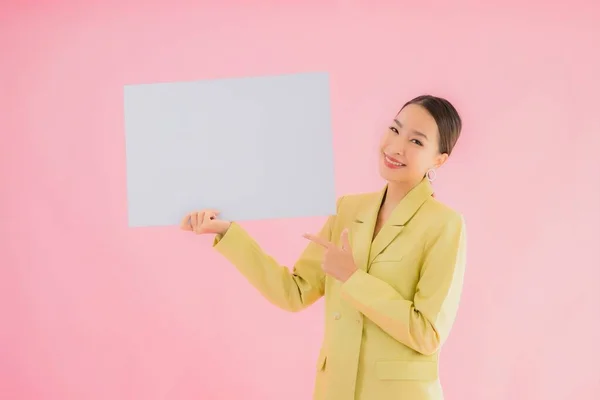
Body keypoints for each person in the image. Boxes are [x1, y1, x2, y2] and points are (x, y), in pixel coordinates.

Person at [181, 95, 467, 400]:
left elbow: (427, 333)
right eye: (395, 130)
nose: (396, 147)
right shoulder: (348, 209)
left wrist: (354, 279)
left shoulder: (444, 225)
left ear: (439, 159)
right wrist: (227, 233)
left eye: (416, 141)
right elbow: (294, 293)